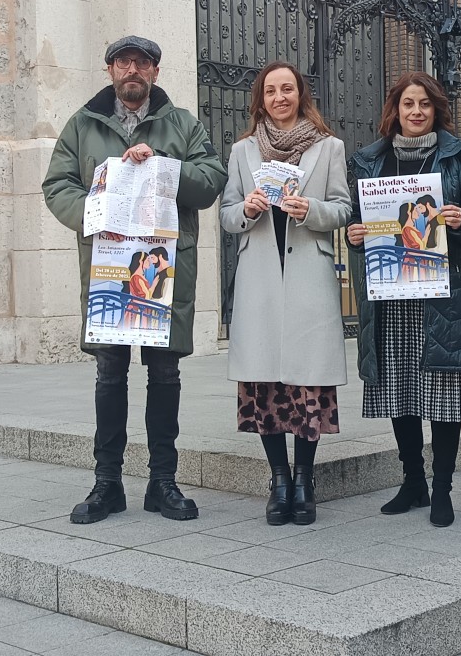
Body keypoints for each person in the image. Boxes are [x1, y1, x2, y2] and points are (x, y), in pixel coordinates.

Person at [42, 35, 228, 525]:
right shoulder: (82, 125)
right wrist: (92, 210)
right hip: (108, 266)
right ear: (109, 71)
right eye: (123, 62)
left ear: (155, 72)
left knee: (165, 374)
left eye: (141, 63)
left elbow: (211, 179)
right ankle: (107, 484)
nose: (132, 70)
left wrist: (165, 167)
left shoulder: (181, 124)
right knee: (110, 375)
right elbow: (57, 184)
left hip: (162, 270)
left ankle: (162, 482)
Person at [347, 71, 461, 527]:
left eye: (424, 104)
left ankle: (443, 488)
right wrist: (354, 235)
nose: (415, 112)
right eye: (407, 104)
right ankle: (413, 482)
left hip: (442, 293)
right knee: (402, 392)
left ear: (436, 110)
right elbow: (360, 222)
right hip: (390, 297)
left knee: (444, 392)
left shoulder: (458, 161)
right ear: (395, 110)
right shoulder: (371, 163)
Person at [220, 60, 351, 527]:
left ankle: (304, 480)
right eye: (271, 90)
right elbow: (226, 213)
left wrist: (310, 208)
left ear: (301, 95)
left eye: (288, 89)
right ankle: (278, 481)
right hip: (260, 278)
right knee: (264, 384)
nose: (280, 97)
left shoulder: (328, 147)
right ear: (261, 98)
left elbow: (342, 208)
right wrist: (248, 210)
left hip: (308, 277)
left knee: (307, 383)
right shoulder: (242, 152)